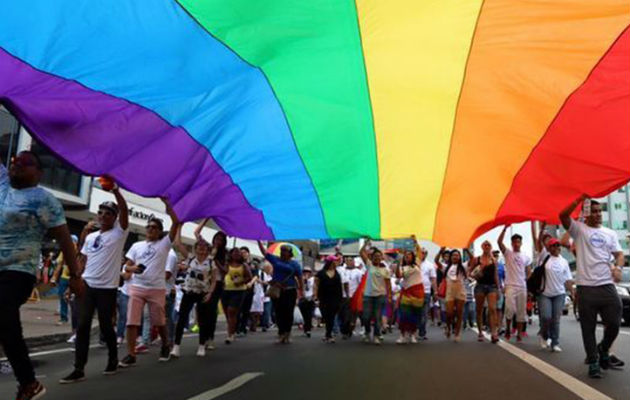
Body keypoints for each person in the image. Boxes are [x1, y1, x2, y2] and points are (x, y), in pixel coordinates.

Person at [0, 151, 83, 399]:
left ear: (39, 173)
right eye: (14, 162)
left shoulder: (44, 200)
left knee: (3, 313)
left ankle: (29, 383)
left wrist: (76, 277)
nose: (17, 166)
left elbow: (65, 241)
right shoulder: (3, 182)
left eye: (25, 164)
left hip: (18, 271)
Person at [60, 179, 129, 383]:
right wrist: (75, 283)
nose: (103, 216)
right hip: (87, 285)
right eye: (101, 212)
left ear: (115, 218)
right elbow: (83, 260)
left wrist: (116, 190)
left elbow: (124, 210)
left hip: (107, 288)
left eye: (108, 213)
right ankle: (79, 369)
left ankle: (113, 358)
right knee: (82, 325)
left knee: (107, 326)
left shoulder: (119, 232)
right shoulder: (90, 237)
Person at [560, 195, 624, 379]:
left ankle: (603, 348)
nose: (597, 215)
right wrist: (578, 199)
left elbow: (619, 254)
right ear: (587, 214)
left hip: (606, 286)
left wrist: (618, 268)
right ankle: (593, 361)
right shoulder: (579, 230)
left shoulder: (610, 233)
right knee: (587, 328)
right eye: (593, 212)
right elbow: (562, 216)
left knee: (614, 322)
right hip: (586, 288)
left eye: (599, 211)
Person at [118, 200, 179, 367]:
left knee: (158, 321)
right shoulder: (137, 246)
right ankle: (131, 354)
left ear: (160, 232)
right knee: (132, 321)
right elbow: (127, 265)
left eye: (154, 228)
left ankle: (166, 344)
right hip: (137, 287)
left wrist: (169, 205)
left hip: (156, 288)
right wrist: (133, 268)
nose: (150, 229)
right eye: (148, 227)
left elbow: (176, 223)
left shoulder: (164, 245)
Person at [170, 225, 212, 358]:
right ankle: (176, 346)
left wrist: (210, 293)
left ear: (207, 250)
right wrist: (179, 226)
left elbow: (215, 280)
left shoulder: (211, 262)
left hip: (202, 293)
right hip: (189, 292)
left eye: (204, 247)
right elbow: (177, 243)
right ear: (195, 248)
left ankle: (201, 345)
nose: (201, 249)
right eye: (199, 247)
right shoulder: (190, 258)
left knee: (203, 320)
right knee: (182, 318)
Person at [258, 241, 303, 344]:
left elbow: (300, 278)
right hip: (277, 290)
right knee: (278, 312)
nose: (283, 252)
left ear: (290, 253)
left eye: (285, 251)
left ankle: (287, 333)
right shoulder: (275, 260)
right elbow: (264, 252)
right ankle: (281, 333)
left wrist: (301, 291)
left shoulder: (294, 264)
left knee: (288, 312)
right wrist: (259, 241)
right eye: (282, 250)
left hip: (290, 290)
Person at [537, 238, 574, 352]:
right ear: (549, 248)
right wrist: (540, 229)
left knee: (556, 319)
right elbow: (538, 242)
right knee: (546, 317)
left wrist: (572, 293)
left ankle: (555, 343)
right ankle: (544, 335)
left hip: (559, 294)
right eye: (553, 245)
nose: (556, 247)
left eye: (558, 245)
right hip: (545, 294)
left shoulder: (564, 262)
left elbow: (568, 280)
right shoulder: (545, 257)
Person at [195, 220, 228, 350]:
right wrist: (206, 219)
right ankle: (203, 336)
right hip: (203, 282)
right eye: (217, 238)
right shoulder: (207, 248)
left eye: (221, 239)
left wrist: (216, 260)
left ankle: (210, 337)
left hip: (217, 283)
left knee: (211, 310)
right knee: (202, 309)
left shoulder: (225, 254)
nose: (218, 241)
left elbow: (226, 271)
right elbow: (196, 233)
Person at [498, 226, 532, 343]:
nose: (517, 243)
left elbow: (528, 272)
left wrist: (525, 279)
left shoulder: (526, 257)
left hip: (522, 287)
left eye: (518, 241)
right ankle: (507, 328)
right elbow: (499, 242)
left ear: (521, 243)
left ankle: (519, 334)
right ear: (512, 243)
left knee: (521, 312)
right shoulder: (508, 253)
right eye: (514, 242)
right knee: (509, 309)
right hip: (510, 286)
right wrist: (504, 229)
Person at [358, 240, 391, 345]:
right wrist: (366, 243)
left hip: (380, 296)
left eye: (379, 256)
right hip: (368, 296)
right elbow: (361, 252)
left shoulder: (385, 270)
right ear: (372, 257)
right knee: (366, 316)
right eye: (375, 256)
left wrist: (389, 296)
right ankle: (367, 332)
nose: (377, 257)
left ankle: (377, 335)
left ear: (381, 258)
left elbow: (388, 284)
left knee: (377, 317)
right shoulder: (369, 265)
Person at [468, 241, 500, 343]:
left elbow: (495, 275)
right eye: (485, 245)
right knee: (479, 309)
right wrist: (476, 275)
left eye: (488, 245)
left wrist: (498, 288)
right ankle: (480, 332)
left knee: (492, 308)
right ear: (482, 247)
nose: (487, 247)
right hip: (480, 286)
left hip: (492, 286)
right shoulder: (476, 259)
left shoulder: (494, 260)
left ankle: (494, 333)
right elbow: (469, 273)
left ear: (491, 247)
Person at [221, 248, 252, 344]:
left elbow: (249, 277)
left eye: (238, 253)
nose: (236, 254)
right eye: (234, 253)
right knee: (227, 313)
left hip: (238, 291)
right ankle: (232, 330)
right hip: (226, 290)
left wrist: (241, 281)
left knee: (231, 311)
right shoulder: (227, 264)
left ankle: (230, 335)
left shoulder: (244, 265)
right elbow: (223, 272)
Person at [436, 248, 467, 342]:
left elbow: (473, 260)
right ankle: (448, 327)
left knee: (459, 313)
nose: (455, 257)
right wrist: (440, 251)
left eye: (457, 255)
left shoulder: (463, 266)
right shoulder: (446, 267)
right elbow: (436, 261)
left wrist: (467, 250)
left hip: (460, 291)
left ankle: (457, 334)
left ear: (460, 257)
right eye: (453, 255)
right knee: (449, 313)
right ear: (450, 257)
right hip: (449, 292)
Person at [395, 250, 424, 344]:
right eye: (405, 255)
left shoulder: (417, 264)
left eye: (409, 254)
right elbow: (398, 275)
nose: (407, 256)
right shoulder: (403, 268)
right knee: (404, 315)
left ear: (413, 257)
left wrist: (415, 241)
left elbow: (419, 252)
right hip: (406, 292)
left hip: (418, 292)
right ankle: (402, 335)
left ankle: (413, 334)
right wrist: (398, 263)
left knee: (415, 315)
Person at [314, 255, 343, 343]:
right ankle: (328, 333)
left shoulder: (337, 273)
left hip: (335, 297)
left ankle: (329, 334)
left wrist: (341, 297)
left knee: (332, 316)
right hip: (323, 297)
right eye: (334, 261)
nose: (335, 263)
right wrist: (315, 297)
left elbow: (340, 286)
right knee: (326, 316)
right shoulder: (320, 273)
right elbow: (316, 285)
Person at [50, 235, 78, 326]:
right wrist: (54, 277)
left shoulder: (79, 252)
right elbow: (59, 266)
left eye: (72, 241)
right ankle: (63, 317)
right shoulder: (64, 251)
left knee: (74, 300)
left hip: (74, 278)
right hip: (64, 278)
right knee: (62, 297)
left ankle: (76, 319)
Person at [415, 240, 437, 340]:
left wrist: (435, 292)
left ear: (426, 254)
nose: (422, 254)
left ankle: (422, 332)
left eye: (423, 253)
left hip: (426, 292)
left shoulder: (430, 265)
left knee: (424, 313)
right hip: (414, 292)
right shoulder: (414, 263)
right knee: (416, 312)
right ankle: (415, 330)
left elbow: (433, 279)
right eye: (420, 252)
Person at [236, 246, 254, 336]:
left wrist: (250, 283)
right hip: (239, 288)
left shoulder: (252, 264)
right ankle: (237, 328)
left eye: (245, 252)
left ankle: (243, 328)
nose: (243, 254)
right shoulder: (237, 264)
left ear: (248, 253)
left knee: (246, 310)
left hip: (249, 289)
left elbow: (255, 275)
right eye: (241, 252)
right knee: (238, 309)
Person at [298, 267, 316, 337]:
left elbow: (315, 287)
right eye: (305, 272)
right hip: (303, 299)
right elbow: (300, 288)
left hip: (310, 299)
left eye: (308, 272)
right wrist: (304, 281)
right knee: (304, 315)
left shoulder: (313, 279)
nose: (306, 273)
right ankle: (306, 329)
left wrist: (315, 296)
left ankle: (308, 330)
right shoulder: (301, 279)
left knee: (309, 315)